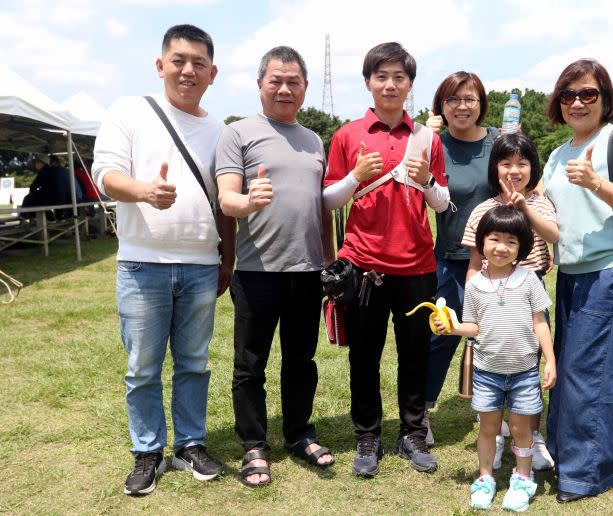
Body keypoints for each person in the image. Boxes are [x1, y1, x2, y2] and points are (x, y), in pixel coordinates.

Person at [92, 24, 235, 496]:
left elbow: (224, 201)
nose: (188, 70)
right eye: (178, 60)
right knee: (143, 367)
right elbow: (106, 174)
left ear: (212, 73)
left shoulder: (221, 130)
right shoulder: (129, 112)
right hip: (142, 264)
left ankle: (190, 444)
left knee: (194, 363)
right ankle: (148, 451)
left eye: (198, 63)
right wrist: (145, 191)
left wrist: (227, 258)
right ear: (160, 66)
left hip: (200, 265)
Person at [323, 42, 450, 478]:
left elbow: (442, 203)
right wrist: (356, 176)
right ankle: (367, 435)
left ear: (411, 85)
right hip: (363, 264)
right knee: (365, 354)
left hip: (417, 264)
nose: (390, 84)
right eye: (382, 76)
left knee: (415, 353)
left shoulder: (427, 138)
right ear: (368, 83)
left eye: (399, 77)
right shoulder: (347, 135)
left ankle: (413, 433)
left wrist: (428, 180)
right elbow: (327, 198)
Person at [216, 46, 336, 488]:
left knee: (301, 360)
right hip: (255, 272)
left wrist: (328, 257)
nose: (285, 89)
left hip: (306, 272)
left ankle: (299, 433)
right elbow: (226, 199)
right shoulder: (238, 133)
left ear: (304, 87)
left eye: (294, 82)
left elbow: (320, 207)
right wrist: (249, 201)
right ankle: (253, 444)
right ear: (260, 84)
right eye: (276, 81)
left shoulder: (313, 140)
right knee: (250, 364)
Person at [542, 59, 613, 503]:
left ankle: (587, 474)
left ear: (605, 98)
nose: (578, 102)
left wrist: (595, 183)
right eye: (569, 95)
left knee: (590, 375)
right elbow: (551, 215)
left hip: (605, 274)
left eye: (588, 93)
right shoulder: (557, 152)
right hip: (568, 276)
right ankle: (561, 455)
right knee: (567, 373)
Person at [434, 205, 556, 511]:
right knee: (488, 428)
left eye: (511, 242)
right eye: (494, 239)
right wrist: (452, 328)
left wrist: (551, 361)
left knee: (521, 429)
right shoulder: (475, 284)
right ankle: (485, 478)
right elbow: (474, 326)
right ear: (482, 243)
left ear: (522, 248)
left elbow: (539, 322)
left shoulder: (529, 279)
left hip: (525, 372)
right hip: (487, 372)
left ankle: (522, 480)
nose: (502, 247)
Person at [461, 133, 559, 472]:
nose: (514, 170)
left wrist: (524, 208)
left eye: (522, 163)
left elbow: (553, 236)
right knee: (491, 369)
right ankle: (497, 434)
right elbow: (474, 265)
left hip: (529, 299)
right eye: (506, 163)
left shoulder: (542, 203)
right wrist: (471, 311)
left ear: (533, 167)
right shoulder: (483, 209)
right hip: (489, 299)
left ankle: (533, 435)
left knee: (528, 370)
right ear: (495, 168)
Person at [421, 71, 499, 447]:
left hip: (500, 261)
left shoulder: (499, 142)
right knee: (440, 336)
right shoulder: (433, 144)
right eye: (453, 99)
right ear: (441, 107)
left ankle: (506, 412)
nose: (462, 106)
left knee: (504, 336)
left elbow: (527, 183)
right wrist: (423, 137)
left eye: (469, 98)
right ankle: (421, 411)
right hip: (450, 258)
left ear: (481, 103)